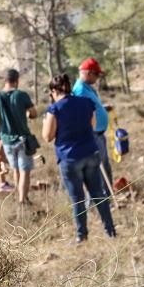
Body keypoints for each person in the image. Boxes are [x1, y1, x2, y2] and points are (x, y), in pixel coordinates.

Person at [42, 74, 116, 244]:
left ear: (54, 90)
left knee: (77, 198)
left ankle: (82, 234)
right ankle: (110, 229)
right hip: (90, 152)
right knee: (98, 193)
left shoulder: (54, 110)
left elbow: (47, 136)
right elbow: (92, 125)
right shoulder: (85, 103)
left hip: (69, 158)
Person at [0, 68, 38, 206]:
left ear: (4, 81)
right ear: (17, 81)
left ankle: (20, 197)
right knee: (25, 171)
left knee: (16, 169)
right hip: (22, 139)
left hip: (6, 142)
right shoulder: (21, 95)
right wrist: (27, 114)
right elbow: (33, 113)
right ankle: (23, 200)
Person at [71, 57, 113, 187]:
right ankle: (100, 201)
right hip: (92, 135)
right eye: (96, 75)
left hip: (98, 134)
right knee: (97, 170)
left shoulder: (87, 88)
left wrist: (103, 109)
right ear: (88, 73)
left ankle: (106, 198)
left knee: (104, 166)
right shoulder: (80, 91)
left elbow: (91, 107)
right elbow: (81, 114)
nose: (98, 78)